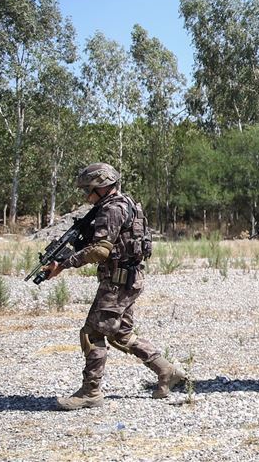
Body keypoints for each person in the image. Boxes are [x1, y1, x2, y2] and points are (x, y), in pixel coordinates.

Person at [44, 162, 186, 410]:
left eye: (88, 189)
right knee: (122, 335)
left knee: (92, 333)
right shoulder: (126, 203)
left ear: (100, 186)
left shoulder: (111, 210)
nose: (86, 194)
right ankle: (166, 371)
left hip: (117, 283)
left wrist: (64, 264)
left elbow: (100, 250)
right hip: (128, 280)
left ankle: (91, 391)